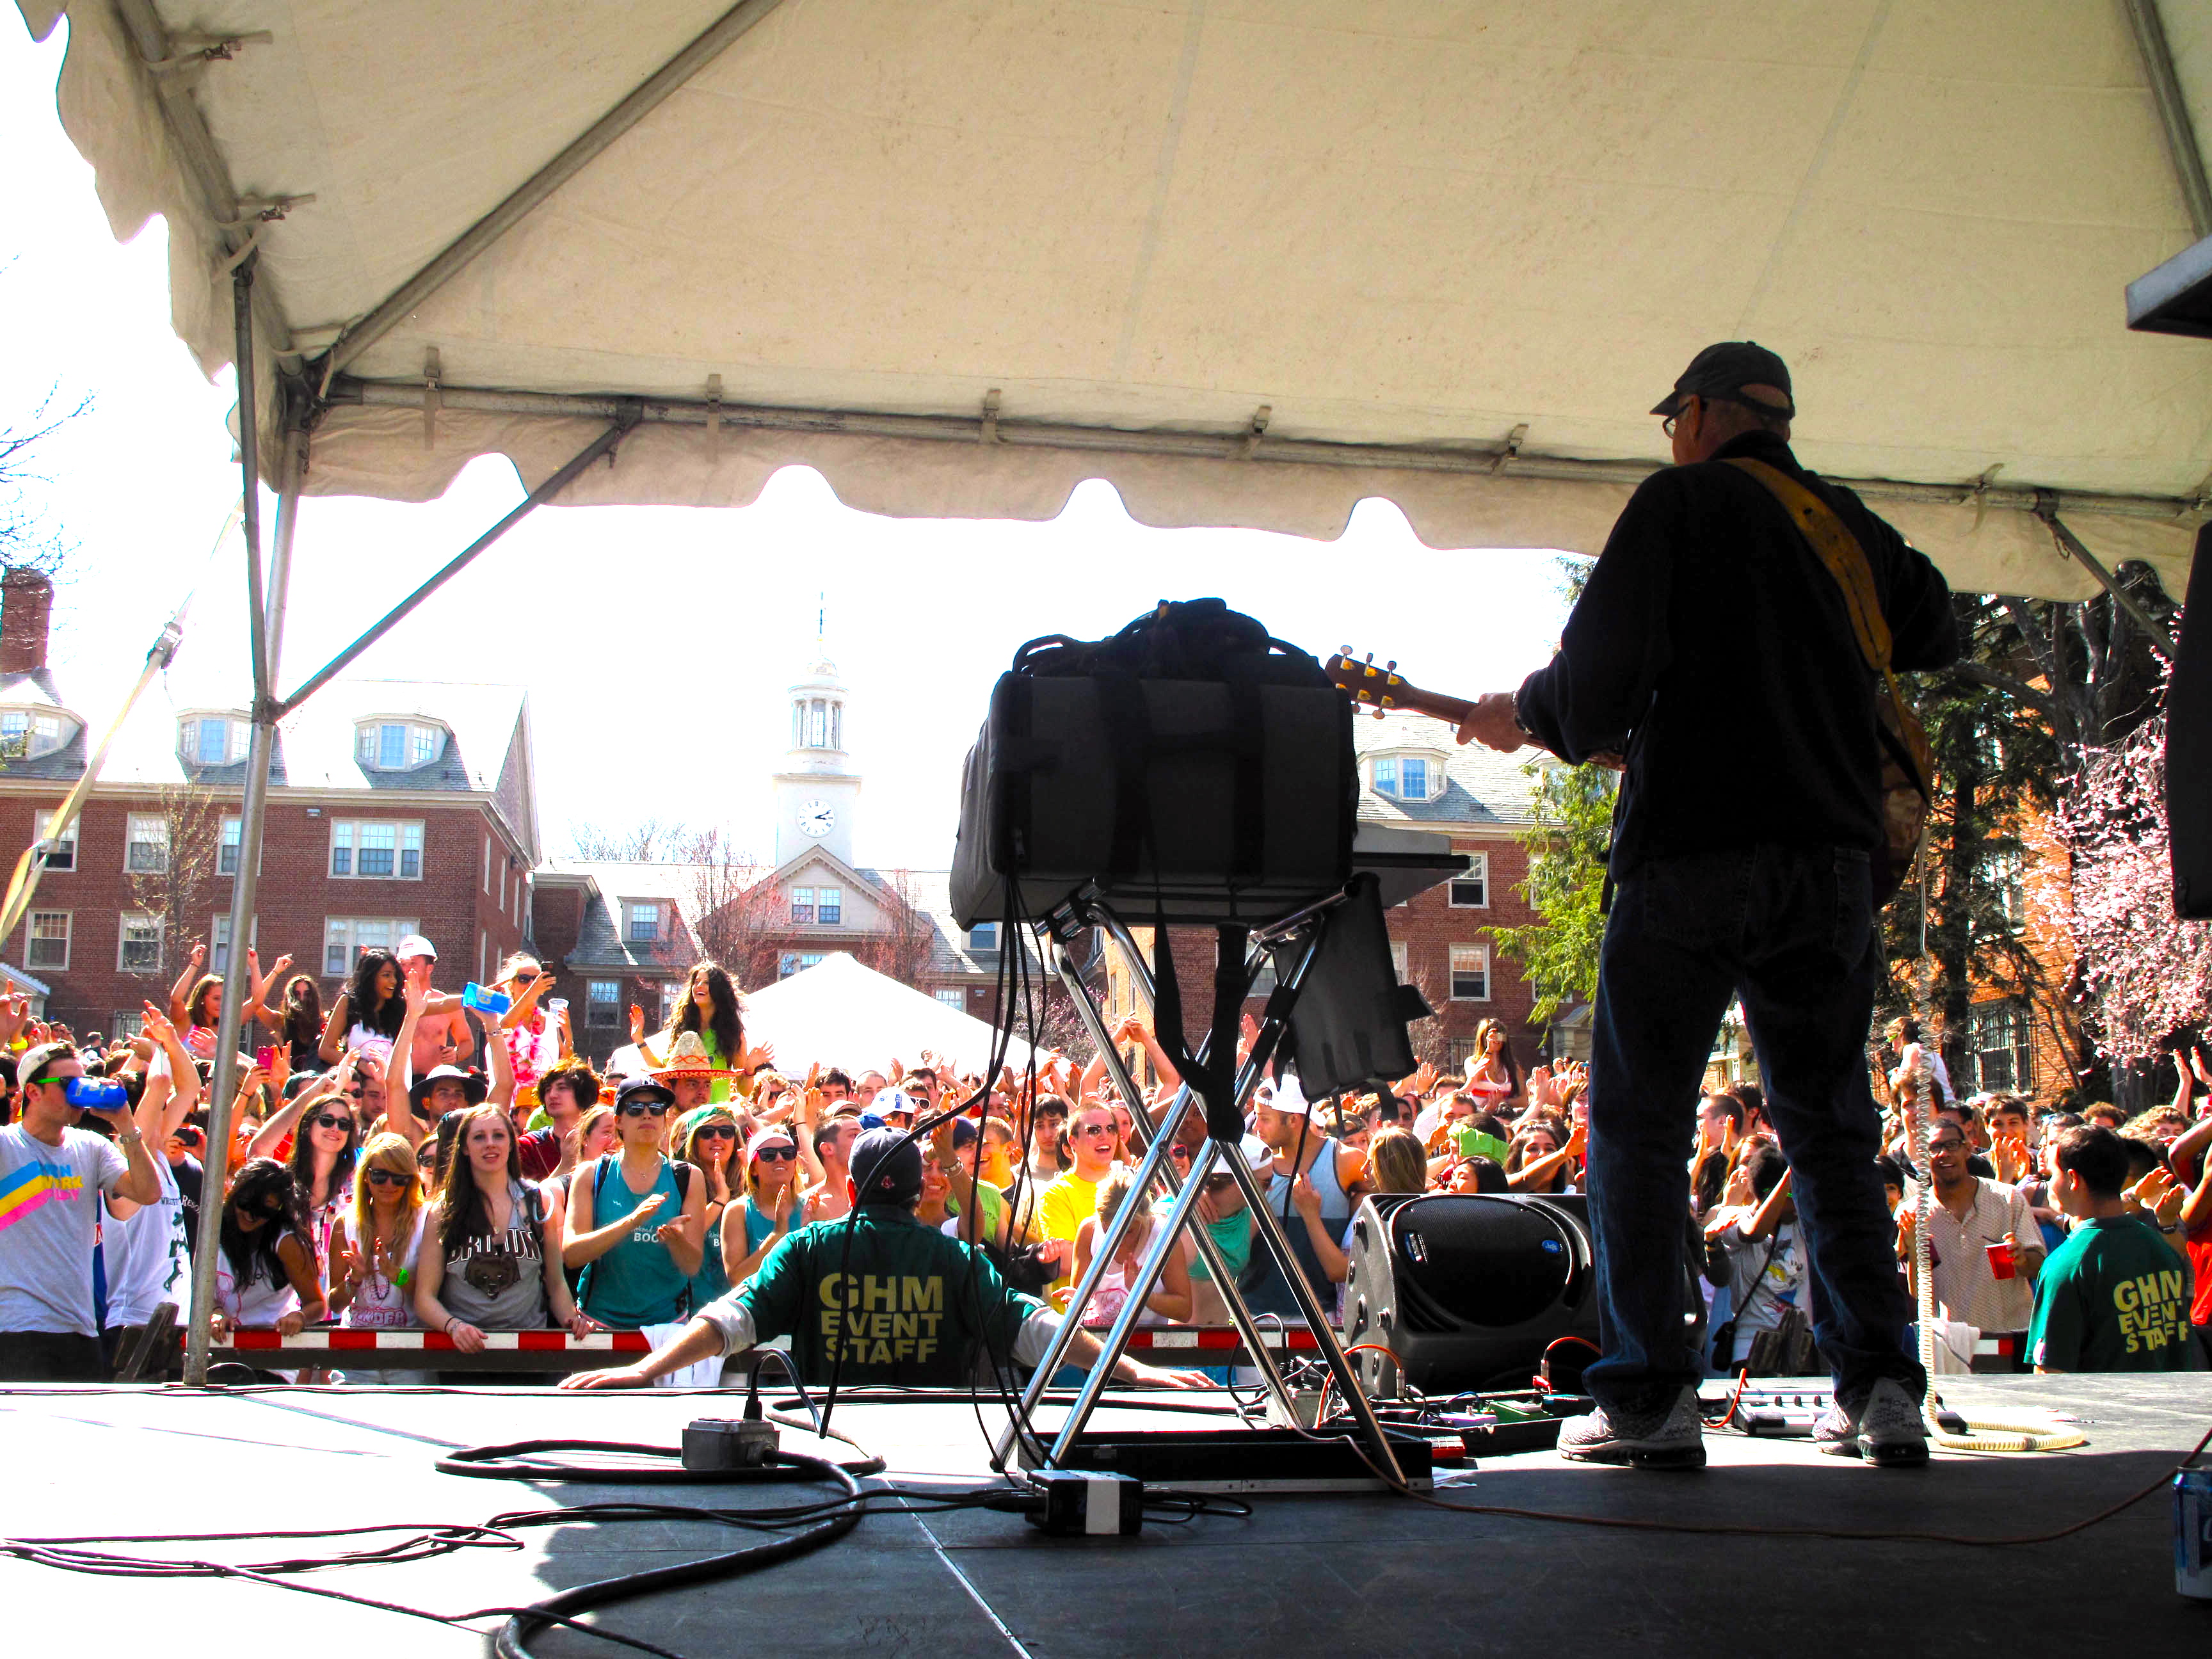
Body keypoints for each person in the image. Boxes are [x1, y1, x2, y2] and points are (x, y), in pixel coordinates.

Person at [1459, 341, 1956, 1468]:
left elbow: (1592, 693)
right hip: (1829, 865)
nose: (1671, 435)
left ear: (1703, 415)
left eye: (1674, 415)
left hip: (1689, 856)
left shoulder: (1678, 503)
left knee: (1638, 1127)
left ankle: (1647, 1401)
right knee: (1831, 1129)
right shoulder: (1845, 526)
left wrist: (1526, 709)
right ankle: (1881, 1392)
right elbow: (1935, 622)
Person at [559, 1128, 1211, 1391]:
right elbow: (1038, 1328)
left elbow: (730, 1320)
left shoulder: (810, 1246)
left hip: (830, 1461)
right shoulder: (955, 1259)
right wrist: (1135, 1373)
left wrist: (646, 1372)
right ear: (921, 1186)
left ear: (851, 1189)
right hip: (942, 1462)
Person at [0, 1040, 163, 1379]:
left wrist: (126, 1125)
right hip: (15, 1328)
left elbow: (148, 1193)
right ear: (32, 1092)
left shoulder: (91, 1147)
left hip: (81, 1328)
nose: (78, 1091)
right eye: (66, 1084)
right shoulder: (6, 1145)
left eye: (83, 1080)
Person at [414, 1103, 595, 1379]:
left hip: (530, 1354)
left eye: (499, 1135)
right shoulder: (443, 1211)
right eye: (479, 1137)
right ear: (464, 1147)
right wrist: (453, 1327)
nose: (490, 1144)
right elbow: (425, 1297)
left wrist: (571, 1319)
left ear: (512, 1143)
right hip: (463, 1355)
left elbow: (555, 1282)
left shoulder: (537, 1200)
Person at [2028, 1126, 2193, 1372]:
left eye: (2053, 1175)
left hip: (2101, 1410)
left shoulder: (2067, 1265)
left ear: (2074, 1180)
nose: (2050, 1185)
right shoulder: (2160, 1246)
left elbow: (2051, 1374)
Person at [563, 1077, 705, 1330]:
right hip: (598, 1323)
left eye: (656, 1109)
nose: (647, 1115)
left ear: (665, 1120)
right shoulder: (592, 1174)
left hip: (667, 1326)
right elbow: (572, 1255)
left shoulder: (688, 1177)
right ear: (619, 1122)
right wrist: (632, 1221)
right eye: (636, 1109)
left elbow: (692, 1266)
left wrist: (675, 1240)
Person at [1897, 1119, 2044, 1363]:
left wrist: (2021, 1258)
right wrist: (1913, 1247)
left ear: (1968, 1149)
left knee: (2006, 1400)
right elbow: (1918, 1292)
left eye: (1952, 1145)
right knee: (1963, 1402)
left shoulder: (2008, 1199)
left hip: (2006, 1334)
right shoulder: (1912, 1213)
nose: (1944, 1153)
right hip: (1952, 1344)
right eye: (1934, 1147)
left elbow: (2038, 1263)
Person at [1247, 1077, 1368, 1318]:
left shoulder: (1346, 1160)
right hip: (1253, 1313)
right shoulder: (1250, 1162)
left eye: (1264, 1118)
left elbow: (1391, 1195)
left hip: (1322, 1316)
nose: (1256, 1126)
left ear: (1293, 1120)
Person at [1703, 1146, 1806, 1373]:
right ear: (1770, 1193)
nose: (1799, 1201)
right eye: (1792, 1193)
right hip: (1752, 1349)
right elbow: (1754, 1234)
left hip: (1801, 1348)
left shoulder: (1802, 1223)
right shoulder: (1733, 1217)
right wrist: (1788, 1177)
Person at [209, 1158, 326, 1348]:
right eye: (246, 1202)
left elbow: (317, 1304)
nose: (251, 1215)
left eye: (264, 1209)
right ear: (233, 1192)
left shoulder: (286, 1242)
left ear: (280, 1209)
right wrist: (215, 1312)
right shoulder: (212, 1228)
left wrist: (299, 1317)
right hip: (222, 1345)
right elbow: (200, 1292)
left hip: (272, 1349)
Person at [1038, 1102, 1123, 1308]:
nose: (1105, 1136)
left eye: (1111, 1129)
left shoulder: (1131, 1184)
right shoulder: (1056, 1192)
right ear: (1072, 1141)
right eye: (1093, 1130)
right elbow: (1067, 1262)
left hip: (1136, 1314)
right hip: (1080, 1317)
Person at [643, 962, 749, 1103]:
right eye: (697, 982)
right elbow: (665, 1072)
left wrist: (750, 1071)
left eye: (706, 982)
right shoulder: (681, 1029)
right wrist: (639, 1040)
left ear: (719, 990)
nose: (699, 986)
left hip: (714, 1116)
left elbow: (744, 1089)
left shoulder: (732, 1032)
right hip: (681, 1116)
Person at [673, 1103, 743, 1311]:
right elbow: (685, 1236)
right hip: (690, 1307)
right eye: (707, 1132)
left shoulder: (748, 1185)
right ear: (694, 1141)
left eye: (726, 1132)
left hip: (737, 1307)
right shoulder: (680, 1181)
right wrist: (720, 1199)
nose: (717, 1138)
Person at [722, 1125, 807, 1288]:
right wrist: (776, 1236)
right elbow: (736, 1279)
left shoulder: (814, 1209)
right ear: (753, 1168)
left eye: (788, 1153)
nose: (780, 1158)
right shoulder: (737, 1212)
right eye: (768, 1155)